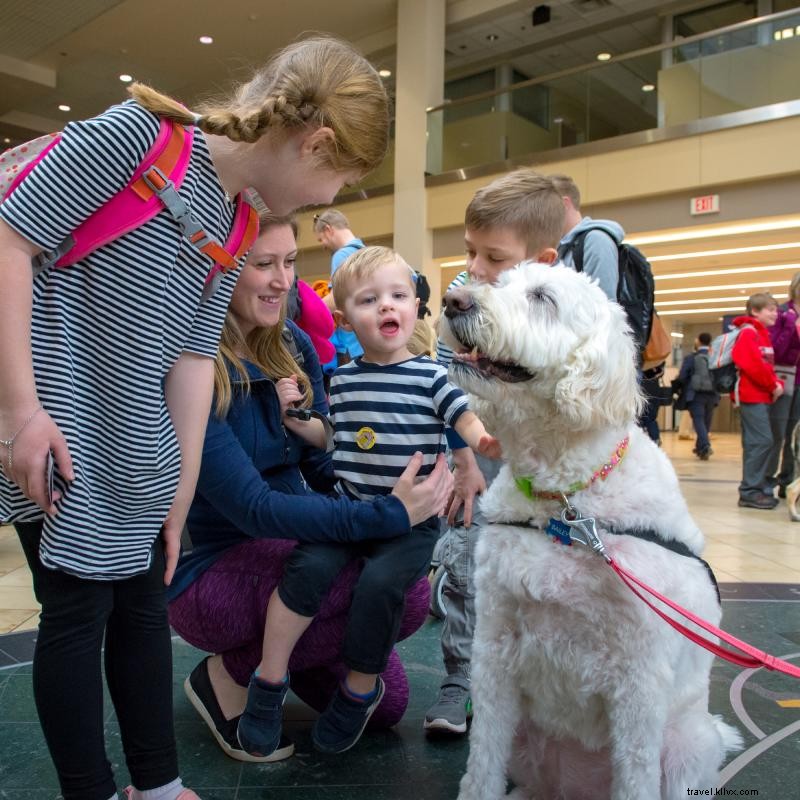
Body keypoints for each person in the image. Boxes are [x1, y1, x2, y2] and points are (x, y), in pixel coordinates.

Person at [0, 35, 392, 800]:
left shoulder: (240, 222)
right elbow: (9, 239)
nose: (323, 200)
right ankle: (90, 788)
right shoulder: (137, 136)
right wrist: (20, 412)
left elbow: (187, 360)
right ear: (312, 142)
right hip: (54, 418)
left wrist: (177, 499)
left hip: (134, 438)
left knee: (143, 606)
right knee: (76, 613)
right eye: (334, 177)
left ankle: (157, 784)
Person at [168, 218, 454, 764]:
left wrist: (391, 478)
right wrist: (385, 514)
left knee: (387, 704)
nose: (283, 281)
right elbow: (254, 510)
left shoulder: (294, 344)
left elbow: (326, 463)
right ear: (219, 269)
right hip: (211, 568)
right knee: (409, 590)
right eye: (262, 264)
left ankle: (284, 653)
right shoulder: (197, 365)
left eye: (290, 262)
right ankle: (225, 676)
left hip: (294, 544)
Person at [234, 245, 499, 758]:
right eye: (369, 299)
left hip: (411, 524)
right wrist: (294, 418)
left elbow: (461, 417)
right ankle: (269, 680)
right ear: (344, 319)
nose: (386, 307)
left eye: (398, 296)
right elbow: (334, 436)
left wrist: (479, 445)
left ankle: (359, 688)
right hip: (349, 508)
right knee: (305, 567)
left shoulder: (431, 376)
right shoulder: (343, 380)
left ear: (415, 307)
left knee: (380, 585)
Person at [425, 169, 564, 735]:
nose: (475, 269)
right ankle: (462, 678)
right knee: (468, 559)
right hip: (480, 458)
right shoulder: (462, 296)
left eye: (495, 257)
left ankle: (535, 690)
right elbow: (445, 383)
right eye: (470, 252)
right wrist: (463, 458)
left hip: (542, 472)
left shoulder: (565, 314)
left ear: (543, 261)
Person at [732, 293, 784, 509]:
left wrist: (774, 383)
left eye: (776, 309)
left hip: (762, 395)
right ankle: (750, 490)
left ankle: (755, 487)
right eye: (770, 309)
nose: (775, 314)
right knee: (761, 441)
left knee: (758, 441)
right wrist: (772, 385)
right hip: (752, 395)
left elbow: (765, 366)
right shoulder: (748, 333)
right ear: (755, 311)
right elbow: (750, 363)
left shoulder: (762, 334)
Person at [549, 173, 621, 301]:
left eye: (545, 208)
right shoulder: (560, 248)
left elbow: (604, 308)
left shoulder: (597, 241)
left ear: (564, 204)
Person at [313, 208, 365, 368]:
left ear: (328, 230)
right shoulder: (366, 253)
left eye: (321, 239)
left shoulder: (341, 255)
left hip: (349, 346)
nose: (323, 246)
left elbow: (337, 298)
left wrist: (310, 311)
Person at [767, 271, 800, 498]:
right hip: (785, 379)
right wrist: (790, 325)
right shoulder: (782, 314)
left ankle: (791, 481)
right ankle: (771, 481)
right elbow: (775, 350)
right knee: (779, 434)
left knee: (796, 436)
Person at [677, 332, 720, 460]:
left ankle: (705, 445)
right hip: (712, 394)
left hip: (695, 395)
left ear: (699, 341)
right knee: (706, 422)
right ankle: (701, 448)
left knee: (698, 420)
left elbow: (682, 376)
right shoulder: (715, 357)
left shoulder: (691, 358)